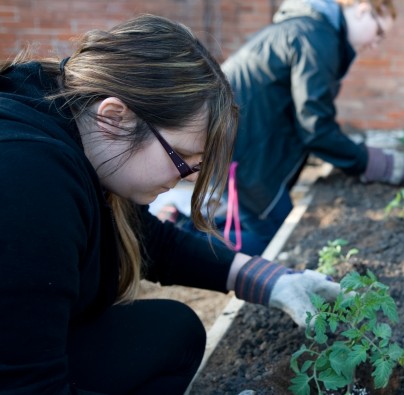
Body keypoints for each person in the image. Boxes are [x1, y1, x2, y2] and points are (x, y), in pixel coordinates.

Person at [0, 15, 341, 393]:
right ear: (114, 118)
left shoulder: (68, 118)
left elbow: (147, 238)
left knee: (172, 331)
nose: (187, 177)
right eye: (181, 158)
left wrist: (268, 279)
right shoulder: (26, 181)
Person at [207, 0, 404, 254]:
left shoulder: (310, 30)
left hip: (242, 147)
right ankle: (177, 236)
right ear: (363, 11)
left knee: (262, 226)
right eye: (379, 32)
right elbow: (315, 126)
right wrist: (369, 161)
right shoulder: (316, 38)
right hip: (242, 152)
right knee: (274, 246)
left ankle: (181, 225)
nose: (374, 44)